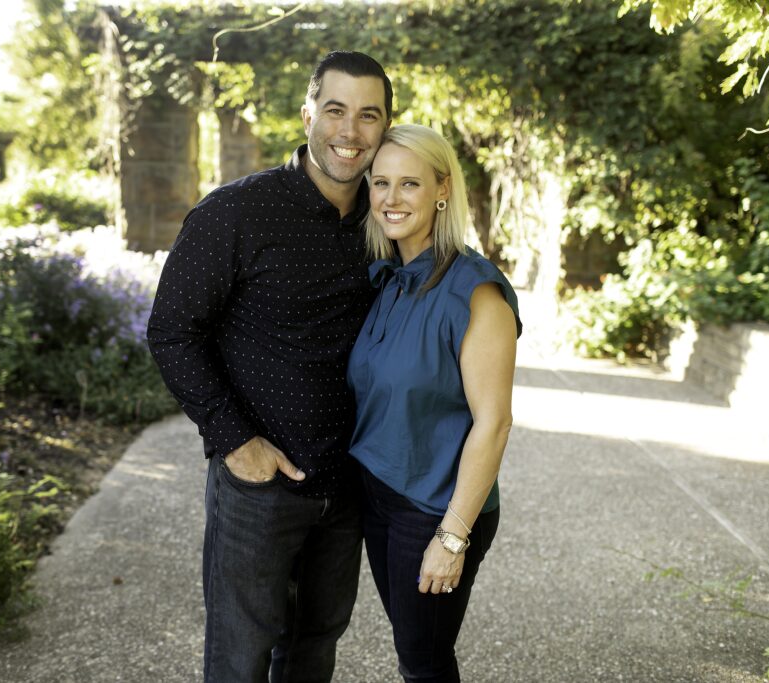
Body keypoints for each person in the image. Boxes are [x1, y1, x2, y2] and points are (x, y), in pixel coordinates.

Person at [146, 51, 392, 682]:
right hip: (260, 483)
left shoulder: (386, 221)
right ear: (308, 114)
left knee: (315, 647)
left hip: (346, 483)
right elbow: (173, 331)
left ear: (385, 128)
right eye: (336, 110)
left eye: (369, 116)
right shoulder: (236, 212)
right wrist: (234, 442)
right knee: (240, 655)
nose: (350, 131)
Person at [346, 124, 522, 682]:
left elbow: (494, 423)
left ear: (442, 189)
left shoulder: (476, 292)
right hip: (377, 495)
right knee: (413, 652)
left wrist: (452, 537)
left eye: (410, 184)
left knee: (424, 664)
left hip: (433, 509)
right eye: (380, 183)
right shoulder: (387, 279)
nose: (391, 199)